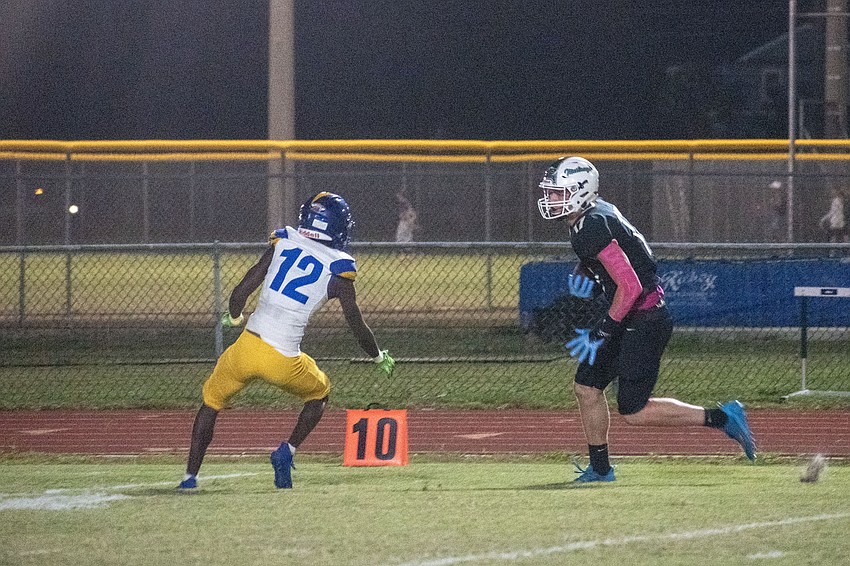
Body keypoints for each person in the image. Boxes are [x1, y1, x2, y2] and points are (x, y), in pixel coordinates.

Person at [537, 156, 756, 483]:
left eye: (557, 192)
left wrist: (600, 331)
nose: (550, 198)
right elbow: (621, 261)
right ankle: (600, 470)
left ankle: (722, 418)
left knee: (634, 411)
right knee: (586, 387)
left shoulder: (591, 226)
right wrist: (590, 273)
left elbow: (630, 285)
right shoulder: (590, 217)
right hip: (628, 312)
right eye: (550, 191)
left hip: (643, 317)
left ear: (580, 191)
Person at [178, 192, 396, 490]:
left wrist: (235, 317)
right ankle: (287, 450)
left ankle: (190, 477)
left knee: (210, 402)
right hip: (283, 359)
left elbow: (243, 288)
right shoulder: (338, 268)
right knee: (320, 394)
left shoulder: (285, 242)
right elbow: (356, 325)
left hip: (246, 347)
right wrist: (377, 356)